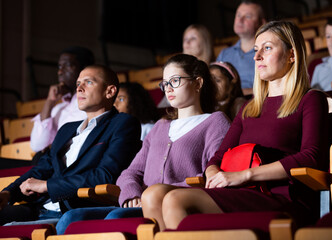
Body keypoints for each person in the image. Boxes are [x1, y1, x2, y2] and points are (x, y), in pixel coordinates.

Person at [141, 21, 329, 231]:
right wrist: (214, 176)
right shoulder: (249, 107)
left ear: (292, 55)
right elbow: (216, 159)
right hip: (240, 189)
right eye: (256, 50)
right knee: (153, 194)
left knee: (175, 199)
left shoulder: (310, 99)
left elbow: (311, 156)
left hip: (279, 194)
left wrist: (245, 175)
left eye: (267, 48)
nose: (256, 57)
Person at [55, 54, 231, 234]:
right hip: (141, 203)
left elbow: (214, 172)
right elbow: (130, 173)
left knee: (115, 219)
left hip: (177, 203)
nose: (168, 88)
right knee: (70, 219)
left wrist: (155, 194)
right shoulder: (160, 127)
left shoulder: (215, 121)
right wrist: (132, 195)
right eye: (165, 83)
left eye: (175, 80)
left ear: (198, 83)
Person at [0, 65, 142, 225]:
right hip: (41, 207)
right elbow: (42, 169)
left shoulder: (123, 124)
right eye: (78, 84)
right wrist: (8, 193)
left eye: (88, 82)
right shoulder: (67, 129)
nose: (79, 89)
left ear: (109, 91)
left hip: (75, 209)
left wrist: (48, 186)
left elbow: (104, 175)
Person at [30, 46, 95, 153]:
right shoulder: (58, 108)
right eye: (59, 66)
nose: (60, 72)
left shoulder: (92, 105)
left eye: (67, 65)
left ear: (85, 69)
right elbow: (37, 146)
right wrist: (50, 102)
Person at [217, 0, 266, 96]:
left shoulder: (266, 54)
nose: (240, 20)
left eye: (247, 16)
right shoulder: (224, 54)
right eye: (238, 15)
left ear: (261, 23)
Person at [158, 24, 214, 108]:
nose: (187, 42)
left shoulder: (214, 71)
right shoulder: (174, 70)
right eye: (185, 39)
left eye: (193, 38)